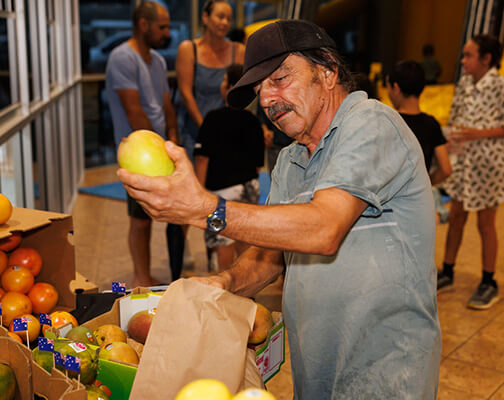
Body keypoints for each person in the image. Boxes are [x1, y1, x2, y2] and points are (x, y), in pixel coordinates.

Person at [119, 20, 441, 398]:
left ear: (327, 70)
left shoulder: (373, 124)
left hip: (385, 371)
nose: (267, 99)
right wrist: (222, 283)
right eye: (259, 89)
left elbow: (323, 229)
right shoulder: (289, 161)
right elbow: (269, 257)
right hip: (316, 371)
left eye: (279, 79)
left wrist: (205, 209)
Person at [106, 1, 183, 287]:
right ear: (143, 25)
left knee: (177, 216)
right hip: (138, 157)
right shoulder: (122, 58)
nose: (167, 33)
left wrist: (173, 139)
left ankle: (174, 272)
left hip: (162, 150)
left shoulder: (159, 61)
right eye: (162, 27)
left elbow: (166, 105)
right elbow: (134, 111)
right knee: (141, 220)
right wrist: (159, 150)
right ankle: (142, 276)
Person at [437, 34, 504, 309]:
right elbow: (455, 118)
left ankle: (489, 281)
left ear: (486, 59)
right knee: (456, 217)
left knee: (485, 223)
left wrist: (477, 134)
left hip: (488, 166)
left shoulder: (499, 86)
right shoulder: (464, 84)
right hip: (463, 164)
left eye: (468, 55)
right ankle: (448, 271)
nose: (463, 60)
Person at [194, 64, 264, 271]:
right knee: (244, 239)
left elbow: (202, 160)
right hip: (249, 190)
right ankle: (246, 292)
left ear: (231, 87)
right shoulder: (253, 121)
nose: (221, 85)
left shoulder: (213, 119)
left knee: (223, 240)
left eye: (224, 81)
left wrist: (199, 195)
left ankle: (227, 293)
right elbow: (258, 164)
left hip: (221, 195)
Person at [175, 0, 245, 161]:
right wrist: (207, 130)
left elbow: (241, 95)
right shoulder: (188, 49)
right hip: (196, 132)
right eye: (220, 17)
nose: (225, 23)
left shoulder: (238, 51)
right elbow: (186, 94)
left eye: (229, 18)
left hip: (229, 133)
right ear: (205, 17)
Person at [387, 60, 452, 185]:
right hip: (420, 200)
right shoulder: (432, 124)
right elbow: (446, 170)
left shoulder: (388, 122)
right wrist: (425, 186)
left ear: (396, 88)